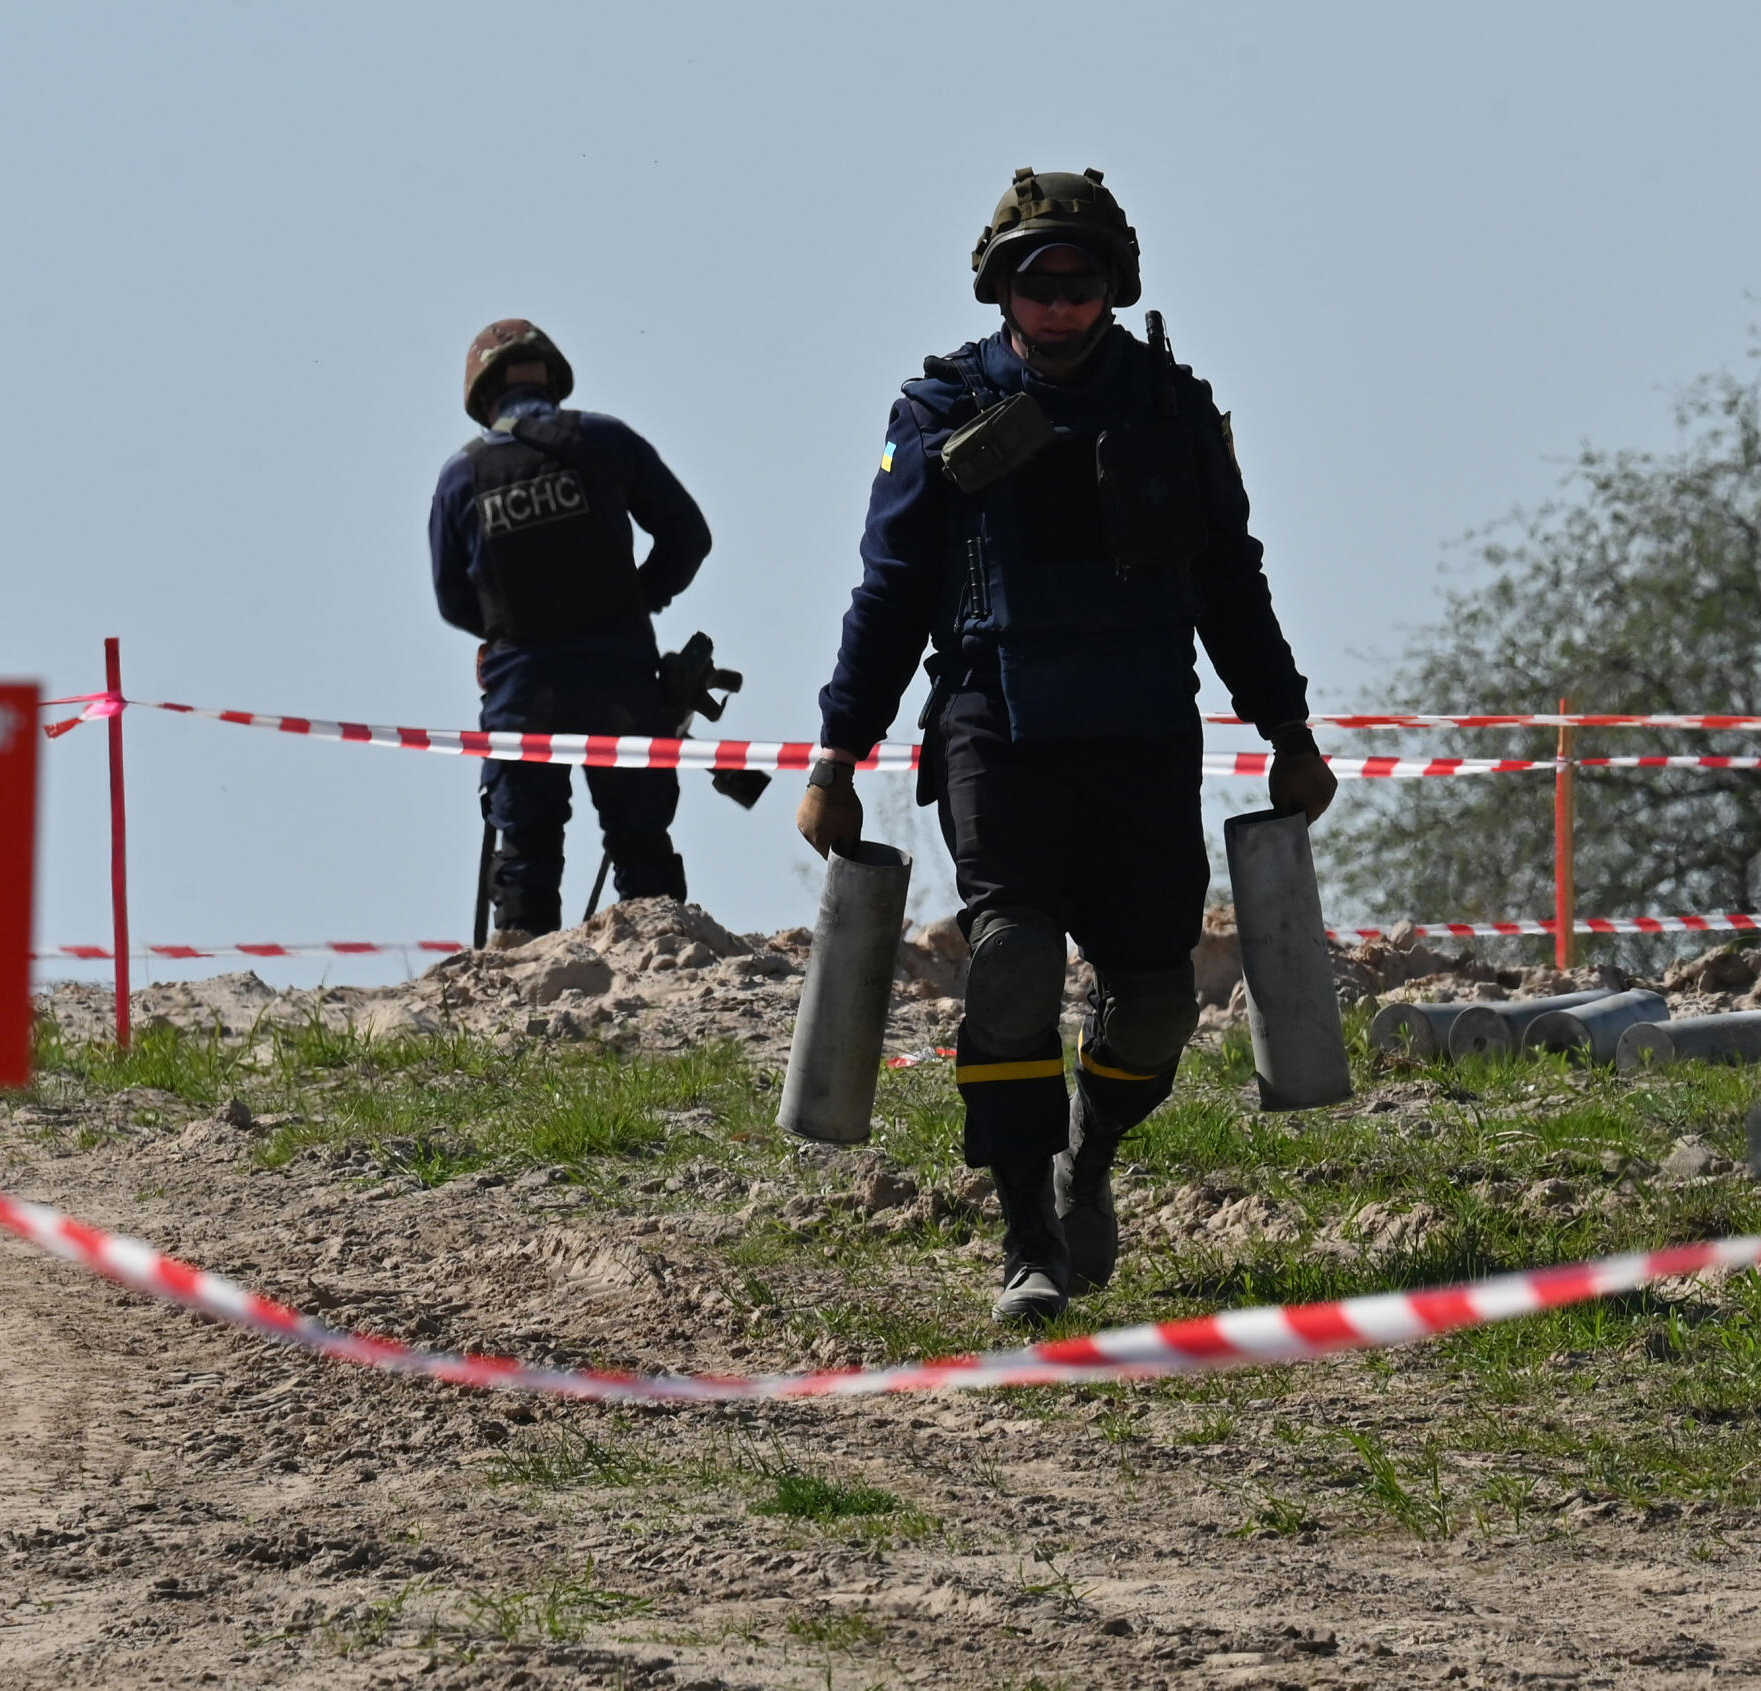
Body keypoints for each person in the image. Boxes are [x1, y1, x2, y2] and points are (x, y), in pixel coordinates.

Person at [794, 169, 1338, 1325]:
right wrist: (836, 755)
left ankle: (1085, 1168)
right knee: (1009, 963)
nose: (1055, 304)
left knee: (1150, 1003)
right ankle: (1024, 1235)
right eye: (1032, 282)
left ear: (1111, 287)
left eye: (1077, 280)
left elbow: (1228, 584)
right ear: (997, 289)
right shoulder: (936, 414)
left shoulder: (1169, 409)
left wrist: (1288, 728)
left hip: (1142, 736)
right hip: (998, 727)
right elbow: (887, 592)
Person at [430, 320, 713, 938]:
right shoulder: (606, 442)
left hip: (521, 692)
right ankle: (661, 975)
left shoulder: (462, 477)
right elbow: (689, 537)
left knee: (526, 852)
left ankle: (522, 990)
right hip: (621, 682)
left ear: (481, 395)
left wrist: (510, 632)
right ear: (552, 377)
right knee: (642, 845)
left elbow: (453, 598)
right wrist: (635, 603)